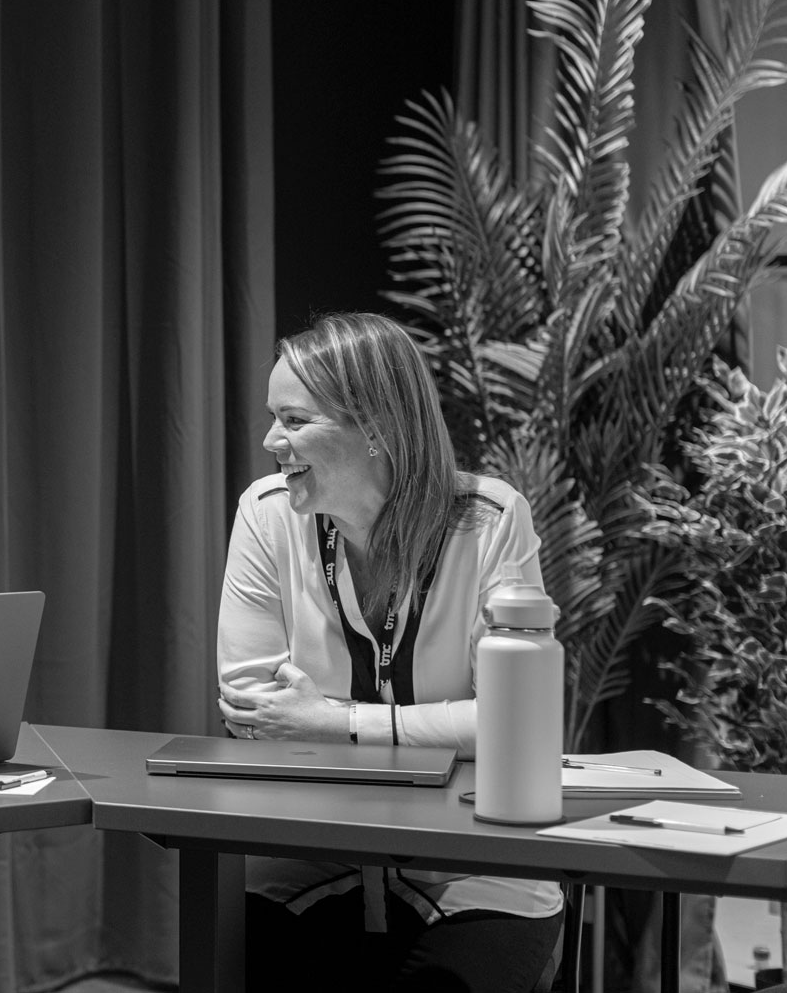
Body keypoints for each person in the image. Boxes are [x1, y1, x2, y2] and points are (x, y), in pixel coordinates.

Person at [216, 312, 563, 993]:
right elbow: (252, 714)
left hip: (476, 865)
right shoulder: (264, 513)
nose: (269, 441)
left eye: (293, 421)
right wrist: (445, 728)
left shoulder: (491, 521)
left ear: (376, 427)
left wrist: (337, 722)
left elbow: (517, 723)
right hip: (308, 853)